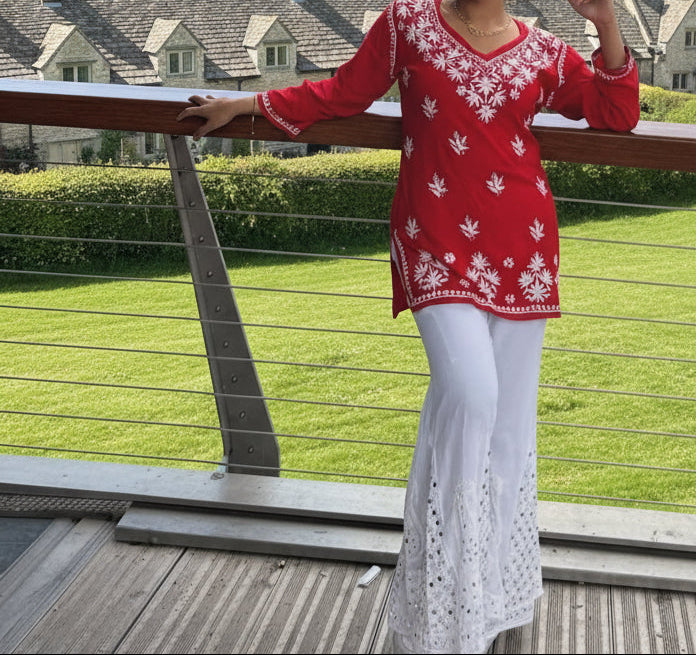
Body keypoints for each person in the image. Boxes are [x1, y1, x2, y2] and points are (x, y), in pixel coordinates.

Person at [178, 0, 638, 652]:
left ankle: (486, 599)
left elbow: (617, 112)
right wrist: (246, 104)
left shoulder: (543, 54)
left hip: (524, 251)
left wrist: (607, 22)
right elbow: (341, 93)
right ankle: (445, 610)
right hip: (433, 242)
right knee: (471, 397)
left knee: (505, 428)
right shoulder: (408, 24)